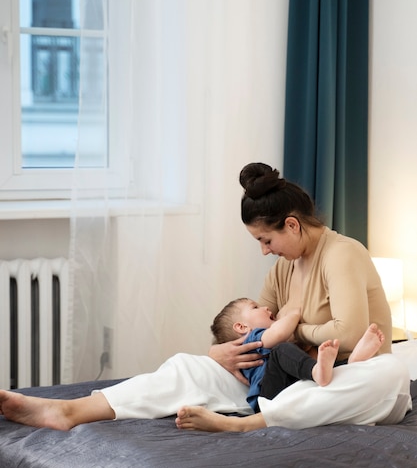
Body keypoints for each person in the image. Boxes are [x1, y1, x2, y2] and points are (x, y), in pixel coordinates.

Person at [0, 162, 411, 432]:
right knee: (188, 367)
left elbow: (352, 332)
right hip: (289, 379)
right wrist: (220, 355)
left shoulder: (342, 253)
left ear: (292, 225)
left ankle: (241, 426)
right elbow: (252, 327)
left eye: (266, 240)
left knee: (388, 376)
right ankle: (71, 411)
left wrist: (290, 327)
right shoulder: (285, 267)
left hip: (343, 376)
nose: (264, 251)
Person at [210, 297, 387, 412]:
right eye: (255, 307)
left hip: (287, 389)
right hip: (267, 400)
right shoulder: (251, 340)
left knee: (312, 368)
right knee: (281, 351)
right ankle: (318, 371)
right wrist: (294, 313)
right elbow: (279, 333)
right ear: (242, 327)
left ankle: (351, 363)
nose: (265, 307)